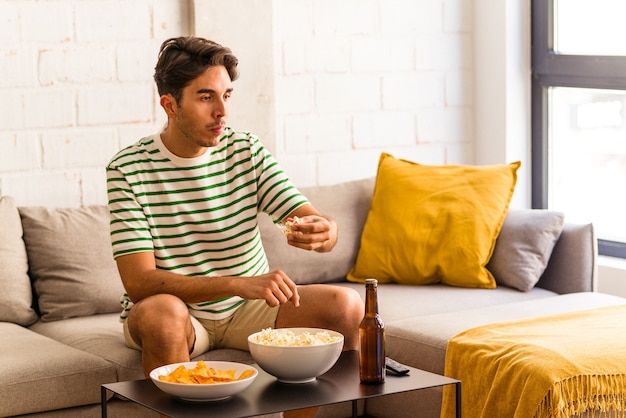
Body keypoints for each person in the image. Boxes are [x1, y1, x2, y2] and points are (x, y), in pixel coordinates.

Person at [106, 36, 364, 418]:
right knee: (162, 316)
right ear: (170, 105)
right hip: (180, 312)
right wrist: (236, 283)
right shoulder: (128, 169)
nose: (222, 111)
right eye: (206, 97)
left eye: (227, 95)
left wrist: (326, 231)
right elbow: (139, 282)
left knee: (345, 305)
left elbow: (308, 217)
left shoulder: (246, 151)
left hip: (250, 308)